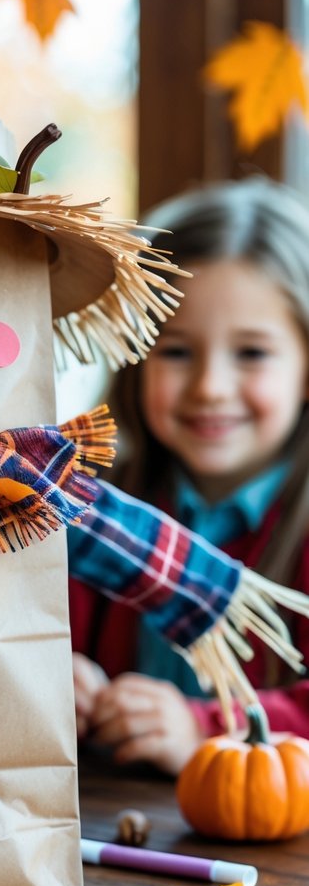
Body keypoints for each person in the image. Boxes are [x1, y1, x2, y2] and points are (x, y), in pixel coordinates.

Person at [70, 175, 309, 774]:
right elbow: (25, 630)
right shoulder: (91, 505)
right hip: (109, 832)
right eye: (176, 352)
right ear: (134, 360)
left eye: (251, 353)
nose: (210, 388)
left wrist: (205, 729)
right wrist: (49, 677)